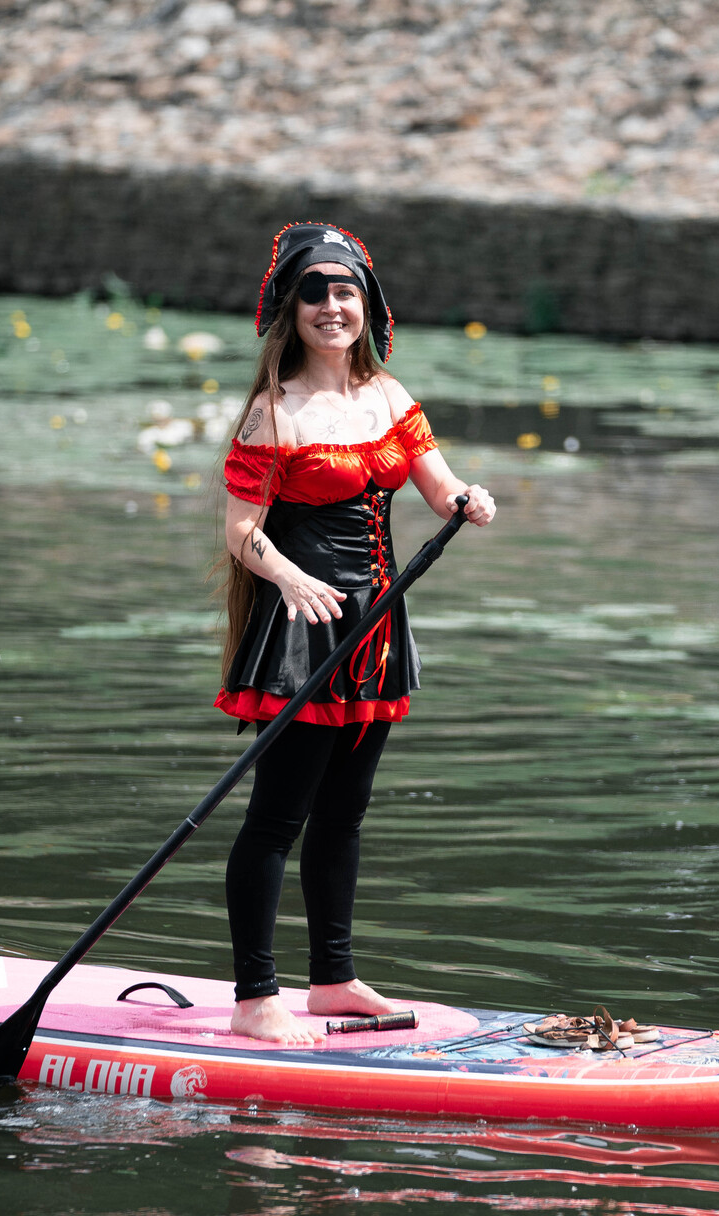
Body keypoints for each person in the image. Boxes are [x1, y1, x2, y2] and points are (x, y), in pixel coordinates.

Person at [216, 222, 496, 1046]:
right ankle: (254, 996)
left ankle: (332, 979)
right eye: (315, 293)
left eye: (345, 292)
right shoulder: (274, 412)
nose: (332, 307)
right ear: (289, 308)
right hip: (303, 628)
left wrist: (466, 502)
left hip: (376, 629)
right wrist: (291, 578)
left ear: (367, 305)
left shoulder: (389, 397)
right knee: (277, 818)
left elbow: (438, 486)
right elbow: (241, 530)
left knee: (344, 816)